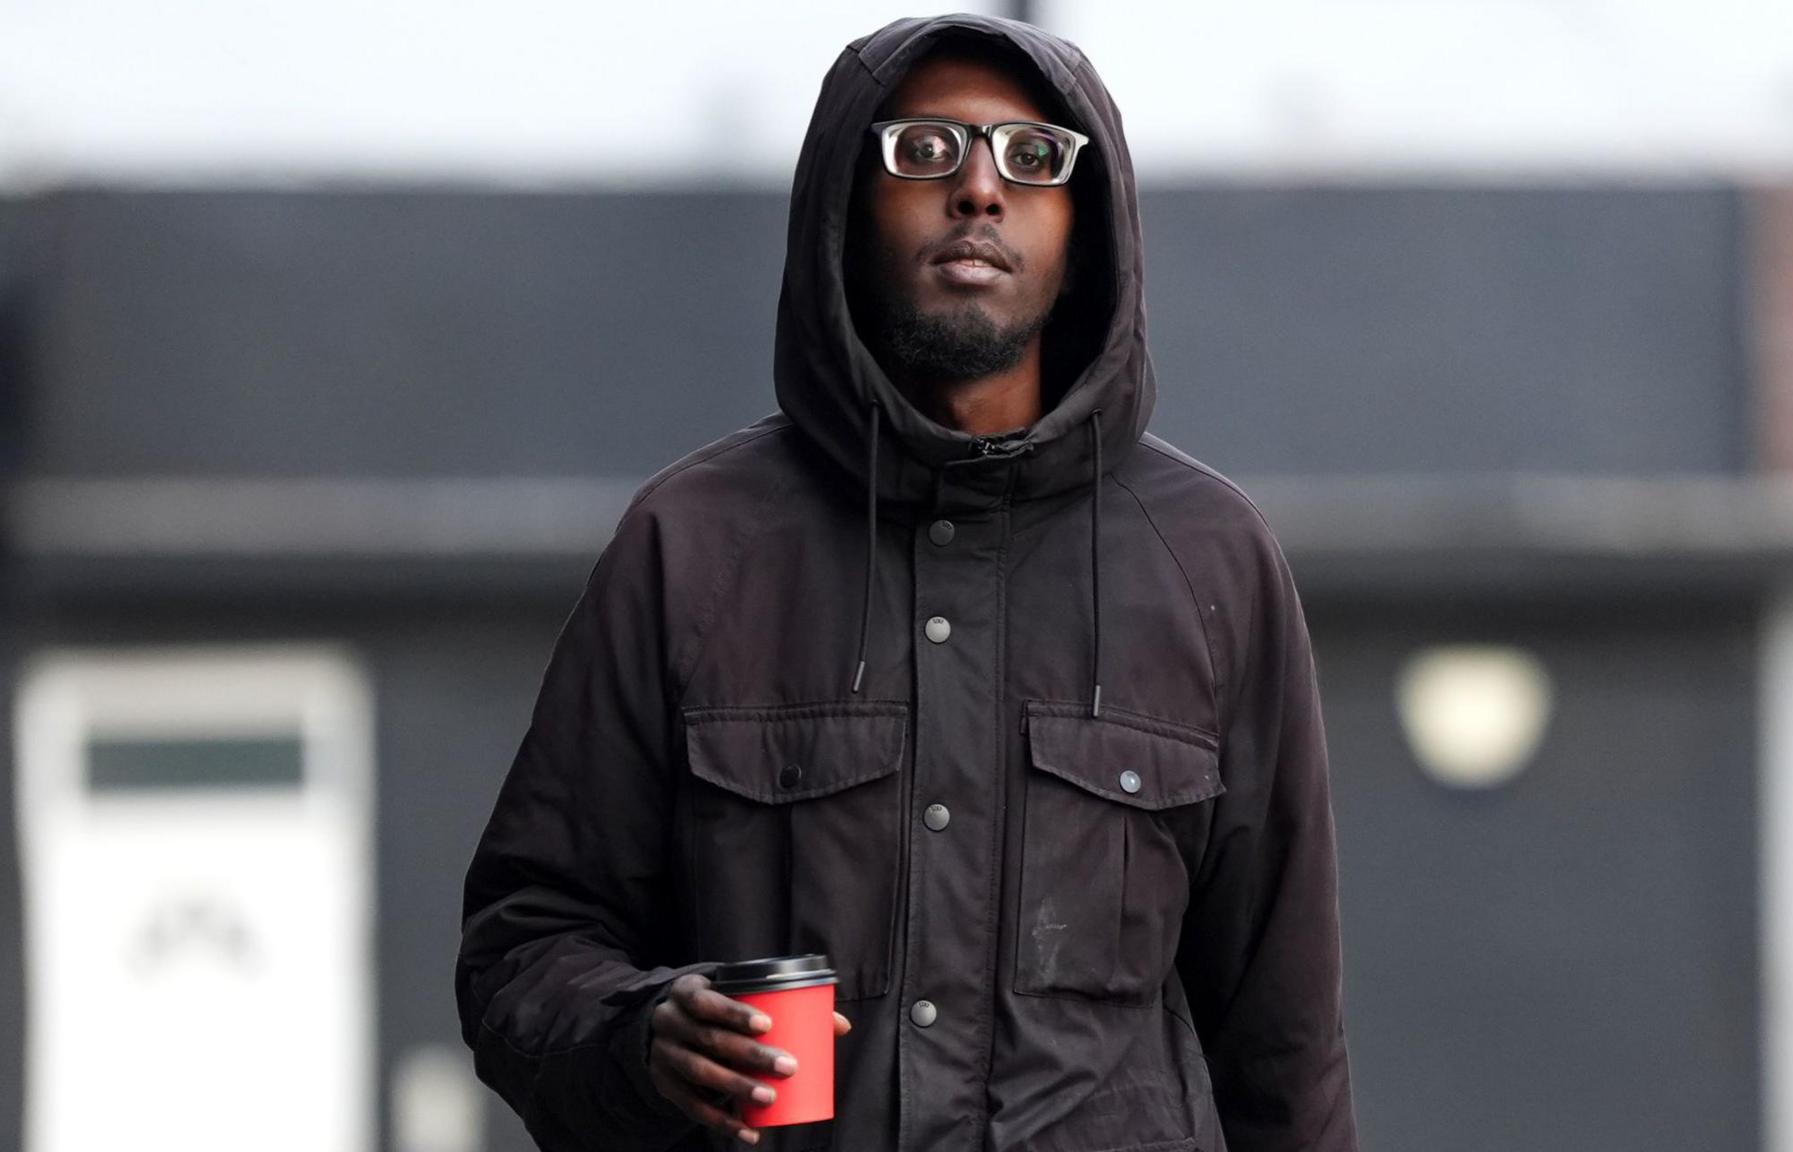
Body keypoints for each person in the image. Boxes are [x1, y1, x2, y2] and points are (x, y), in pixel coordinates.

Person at [456, 12, 1358, 1151]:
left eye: (1031, 160)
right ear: (844, 202)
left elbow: (1283, 1044)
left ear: (1087, 226)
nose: (978, 191)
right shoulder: (690, 546)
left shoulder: (1208, 560)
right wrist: (636, 1037)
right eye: (924, 151)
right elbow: (522, 945)